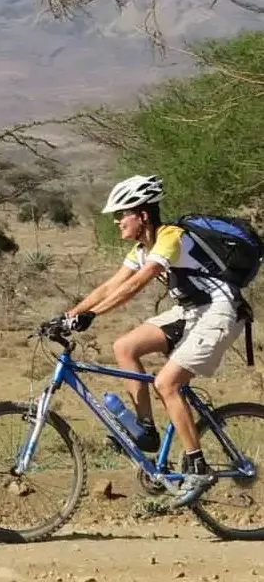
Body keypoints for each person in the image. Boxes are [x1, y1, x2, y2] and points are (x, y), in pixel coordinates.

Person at [61, 174, 246, 506]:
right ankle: (146, 430)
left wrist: (94, 315)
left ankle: (198, 466)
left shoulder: (171, 237)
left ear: (143, 215)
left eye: (122, 214)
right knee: (124, 347)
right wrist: (71, 314)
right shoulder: (141, 247)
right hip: (189, 311)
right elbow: (111, 285)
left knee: (167, 384)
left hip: (219, 311)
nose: (117, 221)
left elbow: (136, 285)